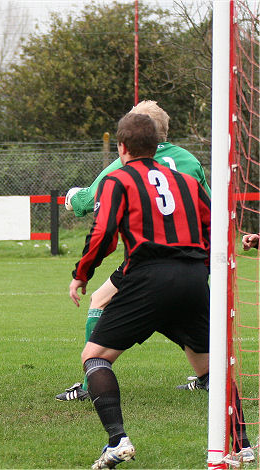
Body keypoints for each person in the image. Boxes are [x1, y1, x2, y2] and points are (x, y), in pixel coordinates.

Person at [69, 112, 252, 467]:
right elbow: (213, 225)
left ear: (122, 147)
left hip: (147, 278)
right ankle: (242, 443)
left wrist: (82, 273)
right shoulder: (185, 179)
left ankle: (117, 440)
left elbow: (103, 233)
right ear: (157, 145)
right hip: (193, 279)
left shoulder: (118, 179)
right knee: (209, 368)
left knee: (95, 356)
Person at [58, 100, 212, 402]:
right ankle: (235, 428)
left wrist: (72, 198)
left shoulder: (122, 168)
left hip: (148, 263)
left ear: (126, 142)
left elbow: (93, 208)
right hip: (192, 264)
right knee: (182, 316)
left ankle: (94, 392)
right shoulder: (190, 163)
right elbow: (210, 212)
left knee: (100, 308)